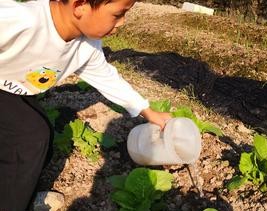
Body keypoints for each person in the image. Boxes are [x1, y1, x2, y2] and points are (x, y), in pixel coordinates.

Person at [0, 0, 171, 210]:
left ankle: (17, 190)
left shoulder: (86, 46)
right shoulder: (22, 20)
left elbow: (107, 77)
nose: (122, 22)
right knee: (30, 139)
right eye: (118, 14)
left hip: (16, 91)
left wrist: (148, 111)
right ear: (80, 6)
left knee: (41, 137)